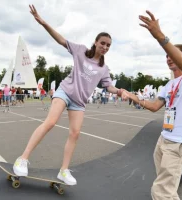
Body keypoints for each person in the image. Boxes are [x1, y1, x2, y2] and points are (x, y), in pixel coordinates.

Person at [12, 4, 128, 186]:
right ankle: (23, 158)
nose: (105, 47)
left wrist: (120, 91)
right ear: (96, 42)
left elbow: (109, 87)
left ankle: (63, 171)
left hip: (79, 102)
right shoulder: (80, 50)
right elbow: (61, 40)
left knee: (75, 133)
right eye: (103, 43)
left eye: (108, 45)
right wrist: (43, 23)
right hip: (65, 92)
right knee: (50, 122)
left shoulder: (103, 68)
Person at [126, 11, 182, 199]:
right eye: (166, 56)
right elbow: (154, 106)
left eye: (172, 54)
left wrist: (160, 37)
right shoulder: (169, 84)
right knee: (166, 187)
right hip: (164, 139)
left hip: (180, 143)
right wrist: (132, 96)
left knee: (160, 191)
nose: (168, 58)